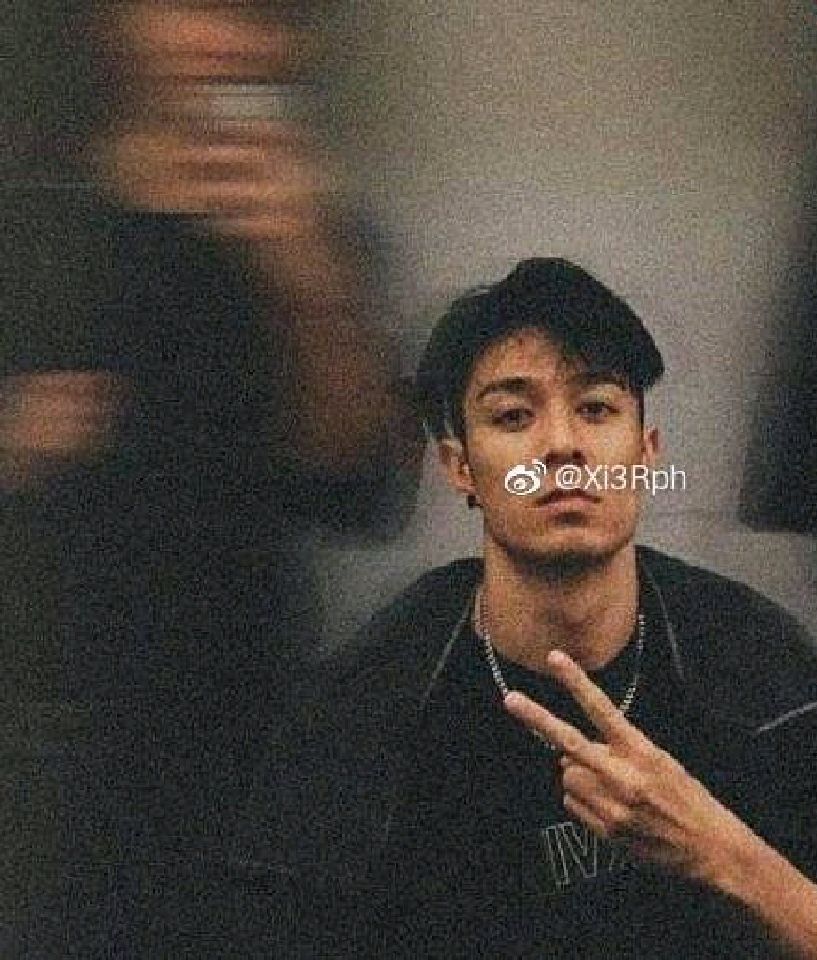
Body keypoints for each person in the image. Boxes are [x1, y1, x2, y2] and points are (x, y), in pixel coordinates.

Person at [299, 257, 817, 959]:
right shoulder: (370, 706)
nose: (562, 446)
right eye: (513, 415)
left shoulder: (764, 676)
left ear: (645, 454)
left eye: (595, 408)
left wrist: (720, 852)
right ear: (460, 468)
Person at [0, 3, 422, 955]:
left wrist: (309, 286)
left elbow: (365, 494)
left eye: (269, 16)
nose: (234, 40)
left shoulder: (318, 230)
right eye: (201, 5)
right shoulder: (30, 213)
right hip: (45, 736)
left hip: (245, 721)